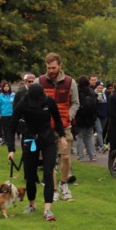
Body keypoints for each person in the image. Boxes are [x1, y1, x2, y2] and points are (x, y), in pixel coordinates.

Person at [7, 83, 67, 222]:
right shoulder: (23, 103)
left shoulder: (49, 101)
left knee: (48, 171)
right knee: (30, 173)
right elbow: (12, 126)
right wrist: (11, 149)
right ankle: (32, 204)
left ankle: (47, 209)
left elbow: (57, 120)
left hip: (47, 139)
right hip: (29, 138)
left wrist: (62, 136)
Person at [37, 53, 79, 200]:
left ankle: (63, 183)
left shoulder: (70, 82)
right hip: (47, 127)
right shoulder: (40, 81)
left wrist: (69, 115)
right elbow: (35, 101)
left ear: (60, 66)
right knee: (50, 162)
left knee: (65, 157)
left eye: (54, 67)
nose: (51, 70)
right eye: (48, 68)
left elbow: (75, 103)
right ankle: (53, 189)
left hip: (64, 126)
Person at [73, 76, 99, 163]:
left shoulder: (77, 92)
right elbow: (95, 106)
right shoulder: (92, 92)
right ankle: (92, 155)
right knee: (89, 137)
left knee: (80, 137)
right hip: (90, 118)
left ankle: (80, 156)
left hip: (80, 118)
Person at [0, 81, 14, 148]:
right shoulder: (0, 96)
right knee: (6, 128)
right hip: (4, 115)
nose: (6, 87)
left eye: (7, 86)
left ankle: (11, 140)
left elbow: (16, 104)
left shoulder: (13, 95)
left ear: (9, 87)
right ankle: (6, 140)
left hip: (12, 114)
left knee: (11, 128)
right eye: (5, 86)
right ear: (3, 88)